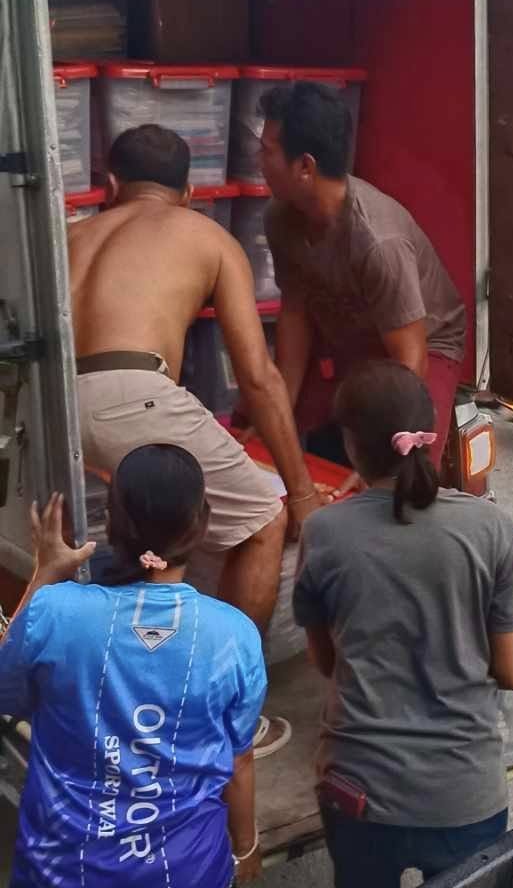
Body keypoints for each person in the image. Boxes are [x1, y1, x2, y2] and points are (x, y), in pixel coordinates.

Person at [0, 446, 266, 888]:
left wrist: (45, 573)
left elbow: (4, 693)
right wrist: (246, 849)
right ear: (201, 526)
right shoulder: (233, 635)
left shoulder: (57, 615)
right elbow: (238, 762)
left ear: (111, 525)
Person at [69, 123, 324, 754]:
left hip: (52, 400)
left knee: (114, 529)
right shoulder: (206, 235)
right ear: (188, 193)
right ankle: (226, 712)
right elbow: (258, 377)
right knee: (262, 517)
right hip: (134, 390)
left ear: (110, 185)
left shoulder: (69, 237)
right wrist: (301, 493)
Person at [292, 360, 513, 888]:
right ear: (432, 431)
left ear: (351, 445)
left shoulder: (324, 532)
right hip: (465, 793)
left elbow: (326, 662)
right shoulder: (490, 528)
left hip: (359, 792)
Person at [259, 82, 467, 470]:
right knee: (266, 425)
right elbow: (295, 313)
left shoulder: (378, 242)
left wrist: (384, 464)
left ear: (305, 167)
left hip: (425, 344)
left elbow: (409, 362)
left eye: (266, 151)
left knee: (404, 466)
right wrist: (279, 412)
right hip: (351, 337)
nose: (258, 161)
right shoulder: (280, 217)